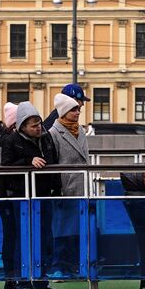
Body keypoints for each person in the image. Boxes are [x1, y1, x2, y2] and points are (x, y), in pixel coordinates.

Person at [0, 102, 62, 289]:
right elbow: (5, 168)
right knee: (21, 240)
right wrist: (27, 161)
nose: (38, 127)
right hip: (20, 198)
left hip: (43, 196)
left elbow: (54, 164)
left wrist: (56, 191)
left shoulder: (46, 139)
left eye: (39, 123)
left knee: (45, 239)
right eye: (33, 125)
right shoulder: (11, 141)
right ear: (22, 126)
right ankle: (21, 281)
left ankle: (41, 280)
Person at [49, 93, 89, 276]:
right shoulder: (54, 133)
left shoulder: (80, 130)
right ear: (64, 112)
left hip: (82, 186)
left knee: (78, 229)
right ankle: (59, 266)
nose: (78, 112)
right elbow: (53, 163)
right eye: (74, 109)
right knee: (62, 229)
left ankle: (76, 265)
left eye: (78, 109)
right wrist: (58, 188)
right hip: (66, 187)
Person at [0, 103, 21, 289]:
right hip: (9, 198)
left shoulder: (1, 143)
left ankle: (13, 277)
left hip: (9, 198)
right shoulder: (3, 143)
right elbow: (2, 172)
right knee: (12, 237)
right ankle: (11, 277)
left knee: (12, 237)